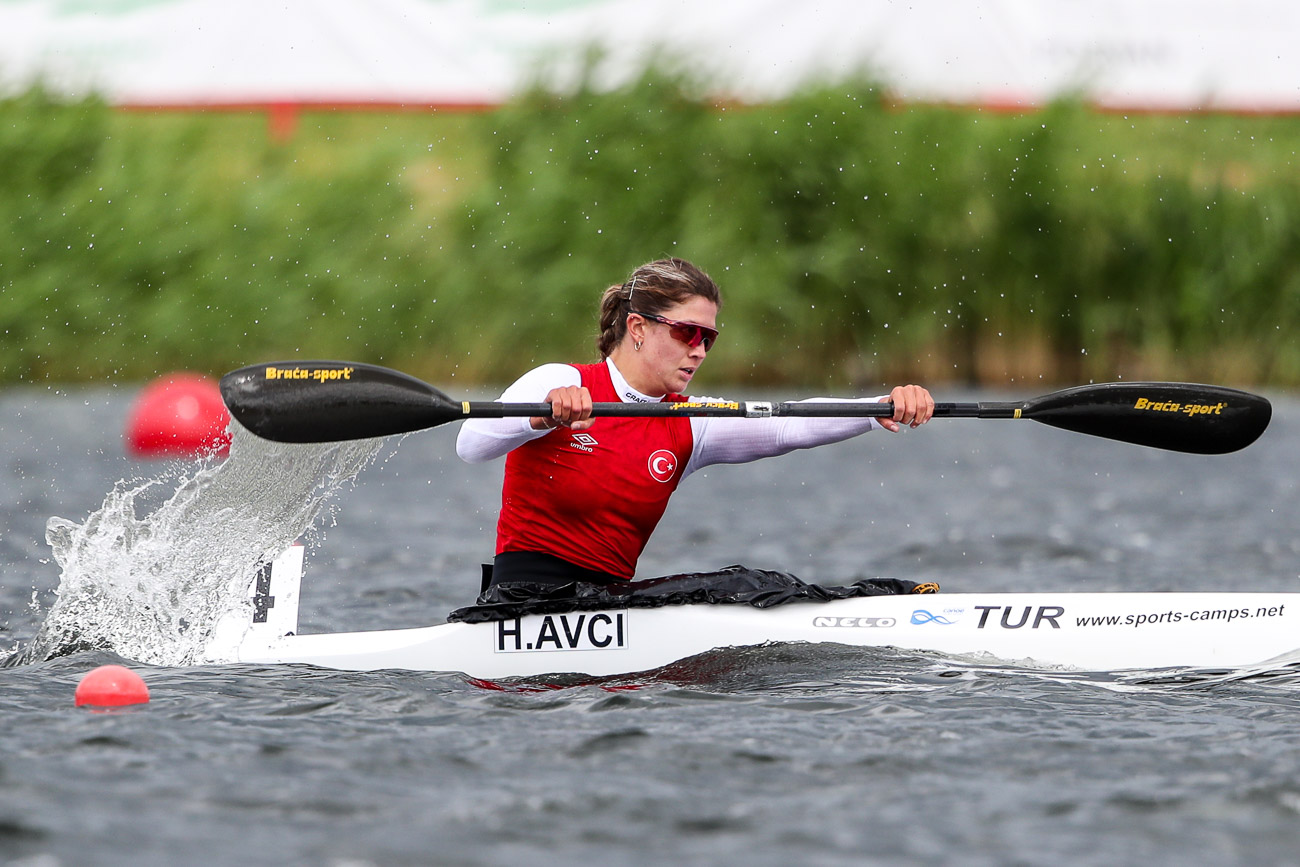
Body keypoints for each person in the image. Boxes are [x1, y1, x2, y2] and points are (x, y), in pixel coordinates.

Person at [456, 258, 934, 589]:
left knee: (751, 587)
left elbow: (787, 425)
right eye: (687, 333)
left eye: (709, 338)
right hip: (524, 602)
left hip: (606, 604)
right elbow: (470, 445)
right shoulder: (560, 381)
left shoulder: (689, 423)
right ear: (639, 327)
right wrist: (540, 417)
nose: (699, 350)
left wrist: (880, 406)